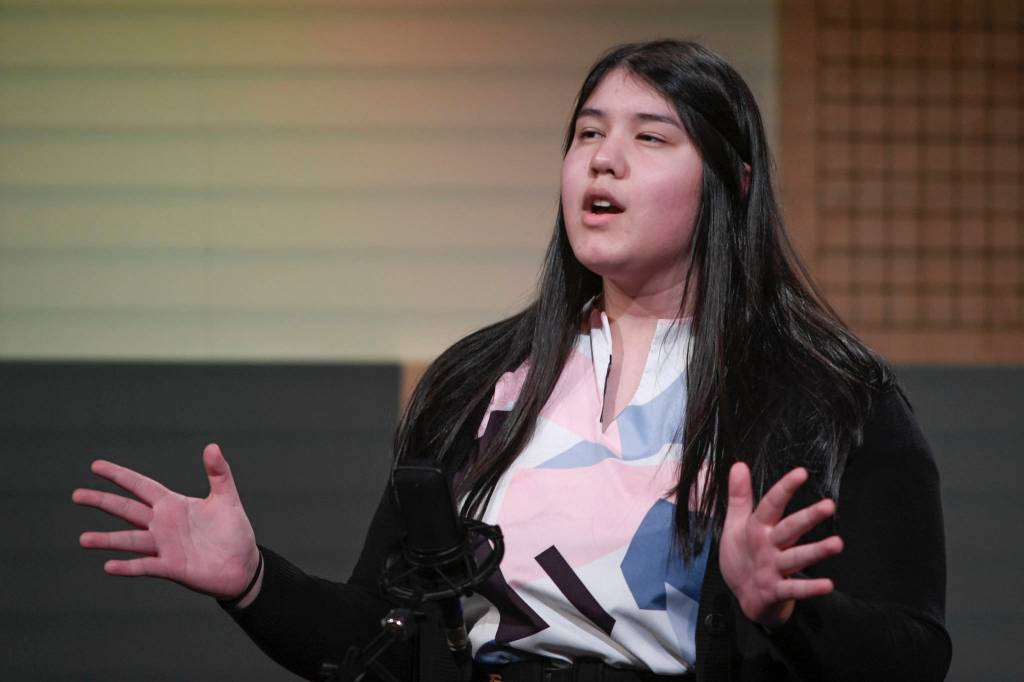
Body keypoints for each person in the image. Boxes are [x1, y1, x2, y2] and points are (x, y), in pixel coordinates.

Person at [73, 39, 951, 681]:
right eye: (586, 134)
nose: (603, 158)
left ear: (734, 182)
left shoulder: (830, 397)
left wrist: (794, 616)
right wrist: (254, 581)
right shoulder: (476, 383)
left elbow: (914, 654)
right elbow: (385, 643)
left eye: (650, 138)